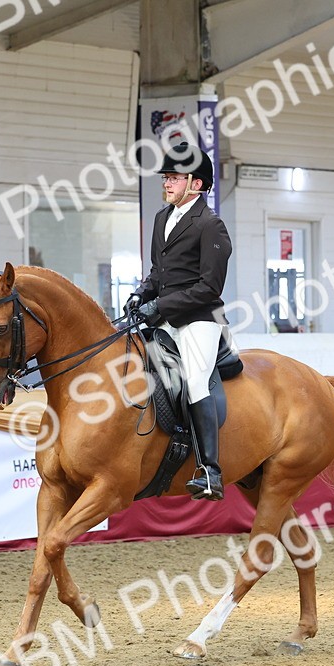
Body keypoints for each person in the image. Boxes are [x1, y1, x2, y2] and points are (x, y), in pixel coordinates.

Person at [125, 141, 231, 501]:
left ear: (195, 184)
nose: (166, 183)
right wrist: (142, 293)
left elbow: (208, 287)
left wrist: (162, 307)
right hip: (167, 314)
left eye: (174, 178)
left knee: (195, 381)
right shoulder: (161, 219)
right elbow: (160, 272)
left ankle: (209, 471)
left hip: (199, 319)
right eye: (166, 178)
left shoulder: (211, 226)